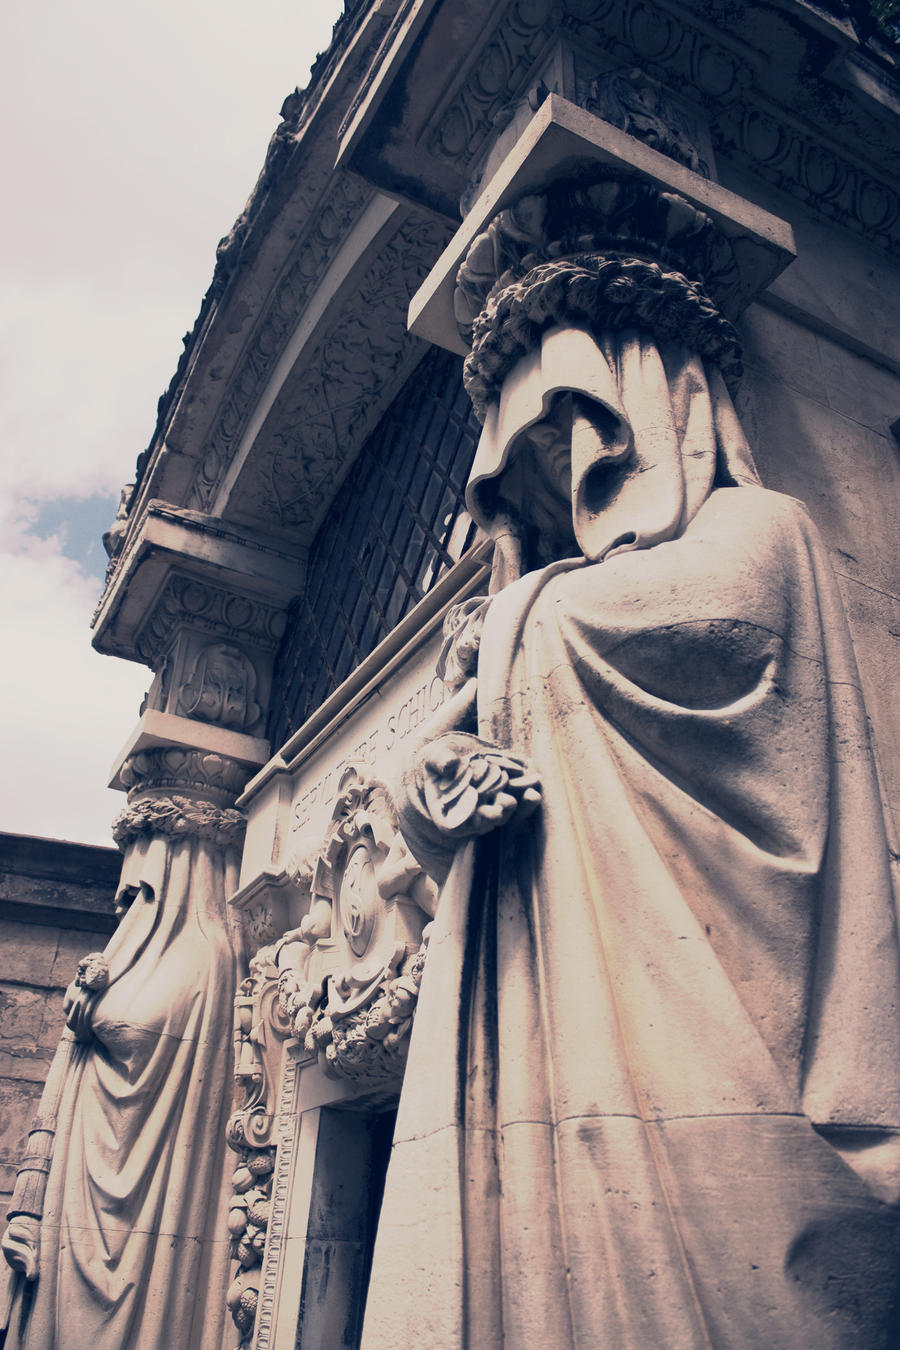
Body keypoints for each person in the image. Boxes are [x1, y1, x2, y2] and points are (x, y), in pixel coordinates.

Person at [360, 312, 900, 1347]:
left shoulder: (761, 530)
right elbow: (441, 764)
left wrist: (518, 619)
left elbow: (691, 622)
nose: (558, 483)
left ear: (647, 420)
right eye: (530, 466)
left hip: (720, 1022)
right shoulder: (541, 604)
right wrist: (433, 781)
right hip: (558, 1010)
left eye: (574, 439)